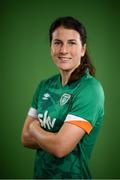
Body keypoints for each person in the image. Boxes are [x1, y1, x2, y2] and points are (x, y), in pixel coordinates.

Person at [21, 16, 105, 179]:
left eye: (72, 43)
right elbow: (24, 138)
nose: (63, 50)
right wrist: (52, 138)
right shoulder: (44, 86)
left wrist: (35, 129)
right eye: (57, 42)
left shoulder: (90, 89)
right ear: (51, 47)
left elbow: (60, 147)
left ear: (83, 49)